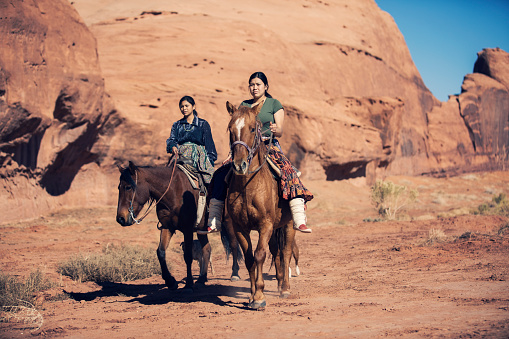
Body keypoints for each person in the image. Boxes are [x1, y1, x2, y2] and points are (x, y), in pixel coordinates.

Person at [198, 72, 313, 235]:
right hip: (246, 147)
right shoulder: (244, 104)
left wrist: (276, 129)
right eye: (251, 84)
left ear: (266, 86)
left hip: (268, 145)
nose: (254, 88)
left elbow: (280, 130)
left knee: (289, 172)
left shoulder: (274, 104)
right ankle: (214, 220)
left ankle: (299, 219)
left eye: (258, 84)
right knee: (219, 175)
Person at [166, 95, 217, 184]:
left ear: (193, 107)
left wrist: (209, 161)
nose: (184, 108)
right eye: (181, 107)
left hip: (198, 155)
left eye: (186, 106)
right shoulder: (177, 125)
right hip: (181, 153)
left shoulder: (203, 124)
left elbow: (209, 144)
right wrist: (173, 146)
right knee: (166, 178)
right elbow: (172, 139)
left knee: (212, 180)